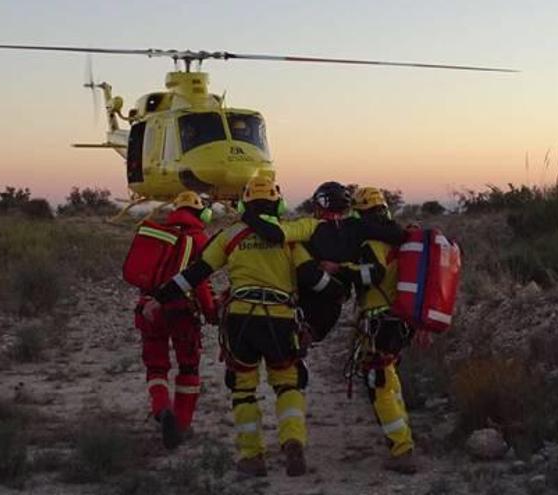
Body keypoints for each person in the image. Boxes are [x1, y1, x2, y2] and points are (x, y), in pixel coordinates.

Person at [145, 176, 311, 478]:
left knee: (243, 390)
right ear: (279, 204)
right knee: (288, 383)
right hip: (281, 319)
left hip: (241, 320)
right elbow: (312, 277)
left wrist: (160, 297)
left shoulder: (230, 235)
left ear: (245, 203)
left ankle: (252, 456)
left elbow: (196, 273)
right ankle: (292, 440)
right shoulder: (288, 238)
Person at [254, 181, 406, 343]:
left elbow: (275, 234)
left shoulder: (309, 225)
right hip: (335, 306)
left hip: (307, 301)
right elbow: (397, 234)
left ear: (320, 204)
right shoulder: (357, 227)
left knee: (294, 245)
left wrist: (248, 216)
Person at [133, 191, 217, 450]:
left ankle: (161, 409)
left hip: (148, 309)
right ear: (200, 213)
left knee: (156, 367)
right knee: (188, 368)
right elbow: (199, 282)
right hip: (183, 311)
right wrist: (212, 312)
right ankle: (181, 423)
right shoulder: (199, 239)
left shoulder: (158, 235)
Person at [346, 186, 418, 474]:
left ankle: (401, 449)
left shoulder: (370, 244)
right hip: (399, 320)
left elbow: (372, 274)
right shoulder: (397, 241)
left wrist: (343, 271)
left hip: (378, 320)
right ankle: (404, 434)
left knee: (379, 383)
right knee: (389, 377)